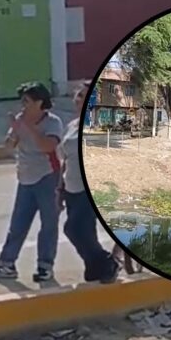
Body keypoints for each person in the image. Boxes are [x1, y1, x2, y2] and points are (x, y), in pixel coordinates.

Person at [0, 82, 64, 282]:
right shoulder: (20, 120)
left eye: (26, 101)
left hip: (47, 177)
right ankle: (6, 264)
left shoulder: (53, 122)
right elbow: (9, 146)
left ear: (39, 103)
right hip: (25, 178)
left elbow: (48, 147)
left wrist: (30, 128)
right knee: (17, 224)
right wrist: (13, 133)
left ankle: (45, 266)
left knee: (48, 225)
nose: (23, 105)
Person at [59, 83, 119, 283]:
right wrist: (59, 189)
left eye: (84, 96)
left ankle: (105, 262)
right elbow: (65, 159)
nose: (78, 99)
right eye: (77, 95)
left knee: (73, 228)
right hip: (71, 187)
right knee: (86, 232)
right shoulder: (72, 125)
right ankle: (95, 268)